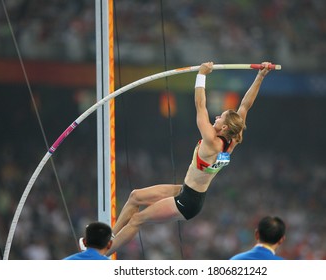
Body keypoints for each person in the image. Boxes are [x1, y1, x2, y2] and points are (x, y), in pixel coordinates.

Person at [106, 61, 274, 256]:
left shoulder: (212, 141)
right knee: (135, 196)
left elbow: (200, 105)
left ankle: (103, 256)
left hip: (188, 202)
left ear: (225, 127)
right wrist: (260, 76)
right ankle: (110, 237)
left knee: (137, 219)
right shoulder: (233, 138)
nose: (217, 116)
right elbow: (246, 104)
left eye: (221, 117)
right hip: (186, 190)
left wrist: (202, 74)